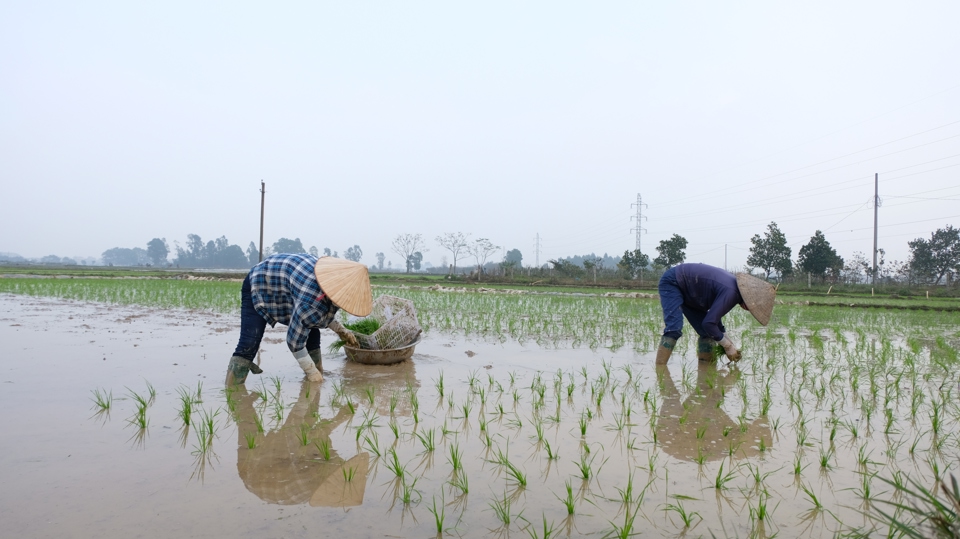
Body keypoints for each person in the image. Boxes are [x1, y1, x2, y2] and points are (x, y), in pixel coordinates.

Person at [225, 254, 372, 385]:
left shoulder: (330, 287)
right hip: (260, 281)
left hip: (291, 283)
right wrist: (310, 372)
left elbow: (321, 314)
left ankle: (315, 379)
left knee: (312, 333)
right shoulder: (310, 301)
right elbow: (294, 341)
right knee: (250, 341)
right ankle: (232, 392)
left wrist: (340, 330)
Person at [655, 263, 775, 365]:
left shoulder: (734, 291)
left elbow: (714, 319)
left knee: (707, 333)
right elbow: (709, 323)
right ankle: (660, 371)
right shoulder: (732, 293)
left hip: (692, 293)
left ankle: (706, 373)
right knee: (674, 329)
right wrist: (728, 347)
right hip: (674, 281)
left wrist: (728, 341)